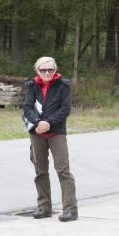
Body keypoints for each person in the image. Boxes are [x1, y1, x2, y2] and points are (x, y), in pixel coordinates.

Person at [23, 57, 78, 222]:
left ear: (55, 70)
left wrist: (48, 122)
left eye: (50, 70)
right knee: (40, 172)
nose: (47, 73)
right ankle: (44, 207)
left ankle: (70, 210)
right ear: (37, 70)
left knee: (63, 171)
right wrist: (38, 122)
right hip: (36, 132)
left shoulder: (64, 85)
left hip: (57, 132)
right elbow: (27, 107)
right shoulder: (32, 86)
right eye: (43, 70)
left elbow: (65, 109)